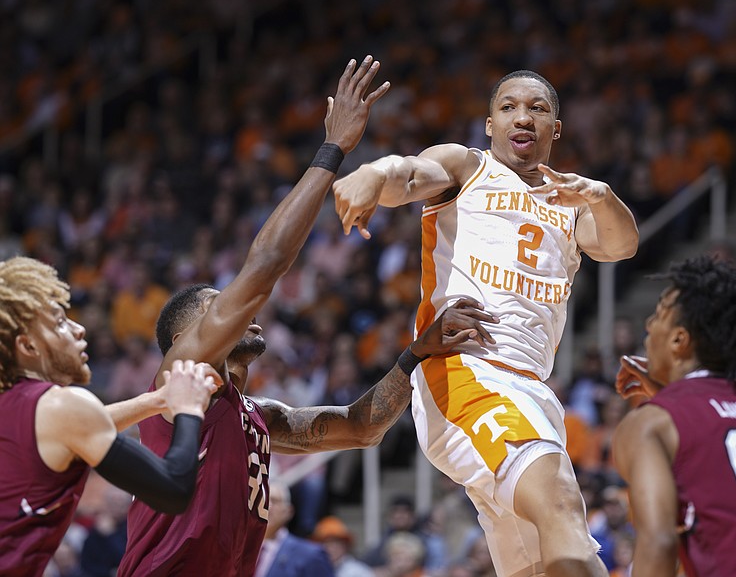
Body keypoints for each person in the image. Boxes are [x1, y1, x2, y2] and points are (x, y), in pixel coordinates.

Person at [118, 56, 497, 577]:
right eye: (217, 302)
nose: (241, 308)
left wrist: (417, 354)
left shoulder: (256, 417)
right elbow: (266, 266)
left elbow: (361, 428)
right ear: (187, 335)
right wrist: (334, 149)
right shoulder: (182, 375)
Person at [333, 69, 639, 577]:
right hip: (464, 371)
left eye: (538, 108)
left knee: (545, 562)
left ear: (555, 129)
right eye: (510, 107)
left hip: (532, 389)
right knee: (562, 502)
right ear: (490, 123)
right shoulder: (467, 166)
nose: (523, 116)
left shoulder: (570, 201)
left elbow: (622, 245)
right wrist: (373, 171)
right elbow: (408, 175)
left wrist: (601, 195)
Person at [0, 256, 219, 577]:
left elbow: (82, 425)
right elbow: (174, 490)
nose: (78, 328)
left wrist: (155, 400)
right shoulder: (61, 406)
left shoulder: (20, 406)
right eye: (60, 322)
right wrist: (188, 409)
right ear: (28, 346)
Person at [612, 255, 736, 576]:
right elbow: (713, 432)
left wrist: (669, 402)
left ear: (678, 340)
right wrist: (672, 392)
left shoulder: (649, 424)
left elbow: (658, 542)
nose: (647, 325)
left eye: (658, 315)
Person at [254, 480, 335, 577]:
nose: (267, 507)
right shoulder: (238, 549)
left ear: (288, 511)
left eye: (274, 501)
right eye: (262, 500)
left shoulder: (311, 555)